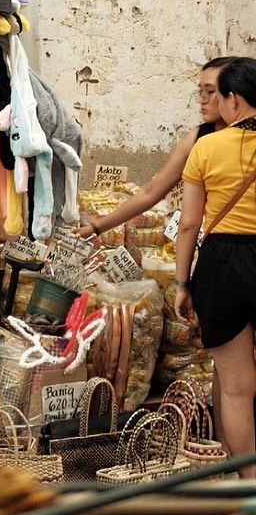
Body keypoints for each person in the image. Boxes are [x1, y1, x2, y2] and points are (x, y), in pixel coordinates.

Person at [175, 57, 256, 479]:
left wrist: (182, 283)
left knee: (238, 388)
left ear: (234, 100)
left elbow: (189, 223)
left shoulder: (206, 147)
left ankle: (250, 486)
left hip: (223, 263)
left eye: (218, 95)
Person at [76, 57, 233, 239]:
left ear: (233, 95)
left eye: (211, 91)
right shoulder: (198, 137)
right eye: (201, 92)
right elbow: (152, 193)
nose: (203, 100)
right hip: (216, 245)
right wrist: (96, 227)